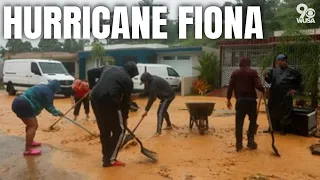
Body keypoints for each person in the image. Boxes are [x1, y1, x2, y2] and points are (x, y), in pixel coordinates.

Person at [87, 61, 139, 167]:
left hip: (94, 98)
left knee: (104, 130)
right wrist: (124, 119)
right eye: (132, 76)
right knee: (120, 131)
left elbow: (90, 72)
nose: (131, 78)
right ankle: (111, 159)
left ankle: (106, 157)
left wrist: (93, 87)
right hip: (110, 101)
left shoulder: (109, 67)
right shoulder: (128, 81)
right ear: (131, 73)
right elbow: (125, 103)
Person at [11, 80, 63, 156]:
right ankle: (28, 150)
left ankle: (30, 142)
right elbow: (50, 107)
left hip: (17, 102)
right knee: (33, 126)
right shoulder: (49, 93)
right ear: (55, 88)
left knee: (29, 125)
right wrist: (59, 113)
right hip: (25, 104)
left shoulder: (41, 86)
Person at [226, 56, 265, 152]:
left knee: (239, 123)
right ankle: (250, 141)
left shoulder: (235, 73)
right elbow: (258, 85)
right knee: (252, 121)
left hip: (240, 101)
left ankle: (239, 145)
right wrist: (263, 89)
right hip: (251, 102)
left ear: (240, 63)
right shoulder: (253, 72)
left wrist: (228, 99)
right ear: (249, 63)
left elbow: (230, 87)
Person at [263, 54, 302, 135]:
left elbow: (299, 80)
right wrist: (265, 76)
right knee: (271, 110)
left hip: (285, 95)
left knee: (285, 112)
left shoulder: (292, 71)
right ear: (278, 62)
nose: (284, 62)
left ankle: (283, 129)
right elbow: (270, 81)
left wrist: (294, 89)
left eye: (285, 61)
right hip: (274, 95)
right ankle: (271, 127)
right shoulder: (274, 70)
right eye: (282, 61)